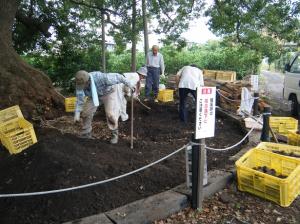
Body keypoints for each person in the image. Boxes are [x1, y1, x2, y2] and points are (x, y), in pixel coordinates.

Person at [74, 70, 141, 144]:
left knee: (110, 114)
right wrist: (77, 113)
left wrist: (130, 85)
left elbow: (119, 77)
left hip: (109, 92)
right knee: (86, 112)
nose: (82, 87)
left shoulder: (101, 78)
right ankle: (86, 133)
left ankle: (114, 134)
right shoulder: (79, 84)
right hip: (93, 95)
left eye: (84, 84)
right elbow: (80, 99)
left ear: (88, 80)